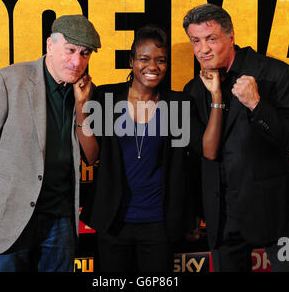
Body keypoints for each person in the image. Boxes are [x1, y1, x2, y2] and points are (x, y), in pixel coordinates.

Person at [0, 15, 100, 272]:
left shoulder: (86, 90)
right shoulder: (9, 80)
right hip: (8, 217)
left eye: (85, 53)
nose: (77, 61)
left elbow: (91, 157)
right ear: (50, 45)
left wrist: (82, 106)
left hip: (60, 219)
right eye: (70, 50)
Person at [182, 4, 289, 272]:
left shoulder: (275, 74)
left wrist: (257, 105)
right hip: (223, 217)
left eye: (211, 39)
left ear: (231, 36)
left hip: (276, 213)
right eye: (196, 41)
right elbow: (199, 157)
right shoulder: (194, 89)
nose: (202, 49)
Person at [80, 25, 201, 272]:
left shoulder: (178, 104)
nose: (153, 67)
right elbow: (91, 156)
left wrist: (193, 213)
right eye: (144, 59)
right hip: (114, 221)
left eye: (161, 60)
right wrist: (81, 106)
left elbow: (192, 165)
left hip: (159, 223)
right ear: (132, 61)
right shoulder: (107, 98)